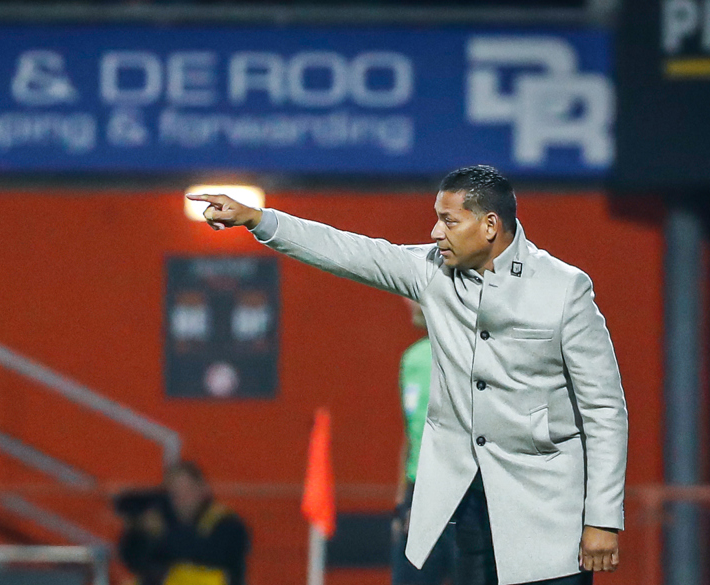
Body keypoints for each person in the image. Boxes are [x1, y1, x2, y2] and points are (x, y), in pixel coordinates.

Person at [189, 165, 628, 585]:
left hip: (548, 511)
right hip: (469, 506)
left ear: (490, 225)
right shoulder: (431, 270)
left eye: (449, 221)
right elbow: (346, 250)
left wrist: (602, 518)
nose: (435, 233)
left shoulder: (564, 289)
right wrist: (258, 219)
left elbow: (605, 408)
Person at [394, 300, 454, 585]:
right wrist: (401, 503)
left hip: (464, 495)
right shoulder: (412, 359)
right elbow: (410, 435)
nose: (406, 300)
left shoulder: (471, 357)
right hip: (417, 496)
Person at [118, 461, 250, 585]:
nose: (183, 499)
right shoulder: (166, 521)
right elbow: (134, 560)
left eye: (188, 490)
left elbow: (204, 552)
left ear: (203, 489)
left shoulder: (227, 524)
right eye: (175, 493)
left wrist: (162, 534)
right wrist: (139, 530)